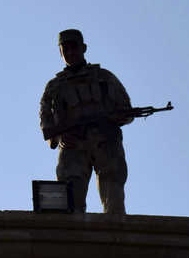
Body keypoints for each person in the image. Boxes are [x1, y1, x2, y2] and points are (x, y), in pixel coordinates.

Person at [39, 29, 133, 214]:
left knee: (113, 195)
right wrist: (59, 136)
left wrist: (116, 118)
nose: (70, 53)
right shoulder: (55, 86)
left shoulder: (104, 77)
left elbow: (126, 109)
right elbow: (46, 119)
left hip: (105, 143)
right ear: (60, 52)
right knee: (71, 200)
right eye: (65, 49)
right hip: (73, 147)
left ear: (83, 48)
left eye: (74, 47)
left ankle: (115, 235)